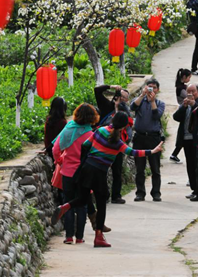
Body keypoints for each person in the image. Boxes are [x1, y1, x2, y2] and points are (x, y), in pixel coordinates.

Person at [51, 112, 164, 248]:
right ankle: (98, 237)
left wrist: (86, 161)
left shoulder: (99, 131)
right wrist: (152, 151)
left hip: (86, 169)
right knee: (101, 204)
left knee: (82, 198)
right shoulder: (118, 143)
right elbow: (133, 152)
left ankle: (65, 207)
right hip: (99, 173)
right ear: (123, 127)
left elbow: (85, 145)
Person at [52, 103, 97, 244]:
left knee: (67, 203)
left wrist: (60, 161)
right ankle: (79, 237)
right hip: (84, 175)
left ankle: (68, 236)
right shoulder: (91, 135)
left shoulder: (68, 130)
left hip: (68, 173)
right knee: (82, 205)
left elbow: (55, 149)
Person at [130, 79, 166, 202]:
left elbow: (156, 116)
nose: (151, 89)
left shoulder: (160, 103)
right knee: (139, 168)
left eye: (154, 87)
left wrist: (152, 102)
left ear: (158, 90)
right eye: (149, 87)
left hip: (153, 138)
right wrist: (142, 95)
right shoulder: (140, 100)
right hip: (139, 137)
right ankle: (140, 193)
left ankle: (156, 193)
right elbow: (132, 107)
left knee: (155, 167)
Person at [94, 84, 130, 204]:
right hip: (103, 144)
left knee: (117, 171)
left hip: (118, 145)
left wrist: (118, 108)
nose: (122, 99)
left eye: (125, 98)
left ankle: (116, 195)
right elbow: (97, 90)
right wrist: (111, 86)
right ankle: (103, 195)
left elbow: (127, 124)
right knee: (102, 171)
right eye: (121, 95)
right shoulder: (106, 106)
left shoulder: (124, 111)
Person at [172, 84, 198, 198]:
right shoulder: (185, 105)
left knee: (197, 165)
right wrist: (184, 106)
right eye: (188, 92)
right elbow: (176, 117)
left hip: (197, 140)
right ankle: (194, 189)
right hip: (185, 139)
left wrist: (194, 104)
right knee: (190, 165)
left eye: (193, 91)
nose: (190, 94)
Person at [170, 68, 192, 163]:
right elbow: (189, 97)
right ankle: (174, 154)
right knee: (183, 133)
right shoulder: (181, 88)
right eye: (189, 77)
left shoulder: (182, 86)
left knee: (182, 133)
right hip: (184, 110)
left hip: (185, 109)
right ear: (184, 77)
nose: (189, 79)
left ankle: (174, 154)